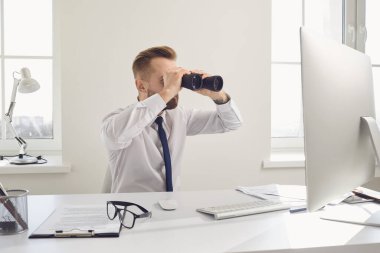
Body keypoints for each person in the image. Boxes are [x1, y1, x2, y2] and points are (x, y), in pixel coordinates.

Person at [101, 46, 242, 193]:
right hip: (131, 211)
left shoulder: (179, 117)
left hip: (171, 207)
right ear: (141, 85)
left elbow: (231, 123)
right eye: (165, 80)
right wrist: (167, 91)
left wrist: (216, 95)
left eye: (176, 80)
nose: (176, 87)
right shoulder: (118, 121)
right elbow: (114, 135)